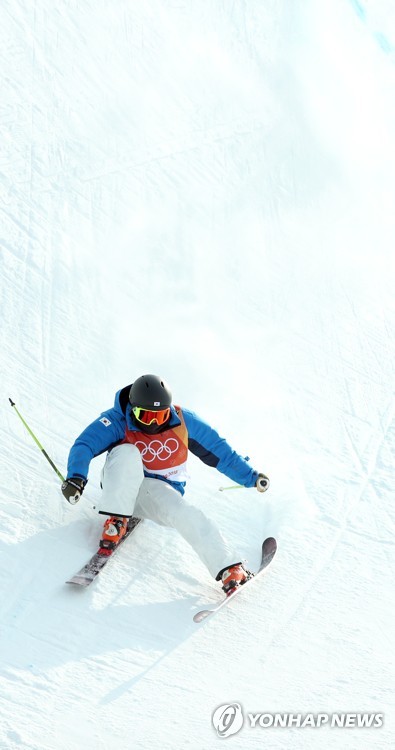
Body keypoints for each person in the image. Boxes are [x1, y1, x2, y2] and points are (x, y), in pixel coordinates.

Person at [61, 374, 270, 593]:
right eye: (145, 415)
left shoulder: (184, 421)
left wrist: (251, 477)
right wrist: (76, 477)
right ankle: (116, 520)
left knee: (187, 513)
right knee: (126, 452)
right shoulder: (117, 420)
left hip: (156, 493)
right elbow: (84, 444)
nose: (152, 423)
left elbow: (221, 453)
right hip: (119, 485)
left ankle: (229, 567)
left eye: (160, 416)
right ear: (133, 409)